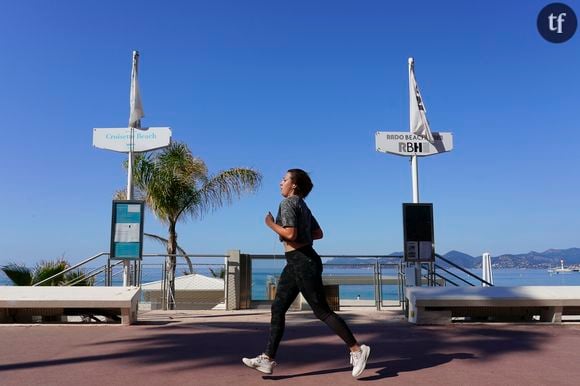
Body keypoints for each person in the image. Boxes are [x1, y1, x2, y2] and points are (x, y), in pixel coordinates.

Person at [242, 169, 370, 377]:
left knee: (322, 311)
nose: (280, 182)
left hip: (303, 262)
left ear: (294, 185)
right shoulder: (303, 205)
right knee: (278, 308)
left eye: (284, 179)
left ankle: (357, 350)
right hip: (296, 262)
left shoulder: (288, 203)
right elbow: (318, 233)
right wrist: (302, 236)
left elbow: (290, 233)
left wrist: (270, 224)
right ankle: (267, 359)